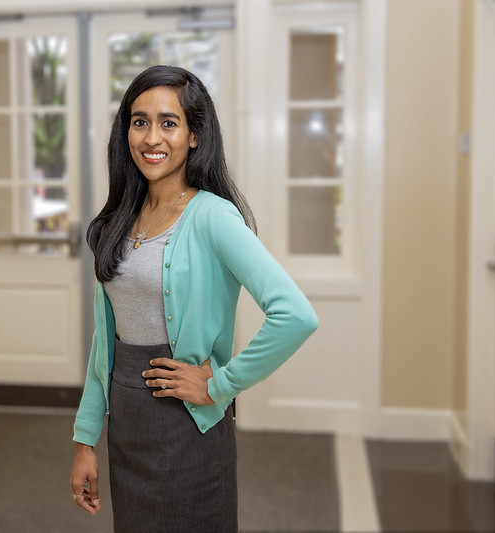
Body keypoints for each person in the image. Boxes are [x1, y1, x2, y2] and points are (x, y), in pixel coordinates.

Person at [69, 65, 318, 532]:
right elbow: (106, 344)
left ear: (194, 136)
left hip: (188, 430)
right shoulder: (116, 222)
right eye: (139, 121)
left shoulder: (213, 217)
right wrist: (86, 438)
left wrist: (219, 385)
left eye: (169, 122)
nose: (151, 137)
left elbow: (296, 315)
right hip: (128, 430)